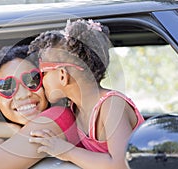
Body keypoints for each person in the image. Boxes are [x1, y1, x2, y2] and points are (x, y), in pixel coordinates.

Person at [28, 19, 145, 169]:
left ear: (63, 75)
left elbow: (121, 164)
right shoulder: (74, 107)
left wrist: (67, 152)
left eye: (42, 73)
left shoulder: (111, 105)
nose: (40, 82)